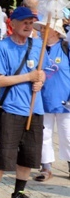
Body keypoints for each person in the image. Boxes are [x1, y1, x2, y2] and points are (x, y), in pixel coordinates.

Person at [0, 6, 46, 198]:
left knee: (29, 155)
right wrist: (28, 77)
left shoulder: (38, 45)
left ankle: (18, 193)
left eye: (30, 22)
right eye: (24, 22)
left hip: (35, 108)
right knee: (4, 154)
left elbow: (41, 72)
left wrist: (40, 79)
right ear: (13, 24)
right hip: (12, 108)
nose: (28, 26)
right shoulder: (3, 47)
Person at [34, 18, 70, 182]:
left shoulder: (66, 48)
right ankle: (46, 167)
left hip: (65, 101)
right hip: (43, 100)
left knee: (67, 135)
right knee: (44, 134)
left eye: (45, 28)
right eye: (41, 29)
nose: (41, 31)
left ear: (55, 31)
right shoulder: (37, 49)